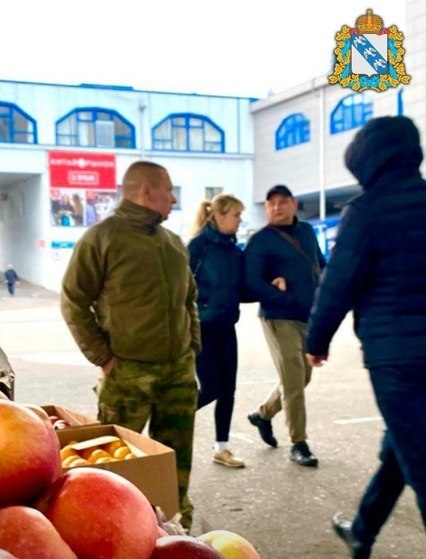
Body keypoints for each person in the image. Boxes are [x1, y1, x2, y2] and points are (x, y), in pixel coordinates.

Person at [304, 116, 426, 558]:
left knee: (421, 460)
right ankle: (362, 529)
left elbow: (338, 284)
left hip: (396, 359)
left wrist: (316, 342)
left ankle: (362, 530)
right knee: (405, 444)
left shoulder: (366, 210)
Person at [60, 161, 200, 531]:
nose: (173, 198)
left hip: (179, 372)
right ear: (146, 191)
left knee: (175, 459)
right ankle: (120, 529)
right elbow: (73, 300)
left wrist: (192, 347)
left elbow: (190, 299)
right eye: (168, 190)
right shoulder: (102, 238)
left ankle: (175, 524)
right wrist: (104, 358)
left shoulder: (172, 243)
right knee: (118, 466)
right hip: (127, 373)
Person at [244, 184, 325, 467]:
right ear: (266, 208)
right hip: (278, 317)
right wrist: (281, 296)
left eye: (282, 202)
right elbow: (251, 281)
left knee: (302, 377)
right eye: (271, 203)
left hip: (307, 315)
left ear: (294, 204)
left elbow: (319, 264)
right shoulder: (260, 241)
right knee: (293, 375)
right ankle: (299, 443)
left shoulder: (306, 231)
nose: (276, 207)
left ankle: (263, 415)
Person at [188, 194, 246, 468]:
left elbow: (243, 287)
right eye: (236, 215)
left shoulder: (235, 250)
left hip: (227, 326)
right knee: (210, 388)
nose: (240, 220)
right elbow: (182, 288)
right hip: (202, 328)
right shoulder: (198, 247)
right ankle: (173, 421)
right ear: (219, 216)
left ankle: (222, 448)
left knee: (228, 390)